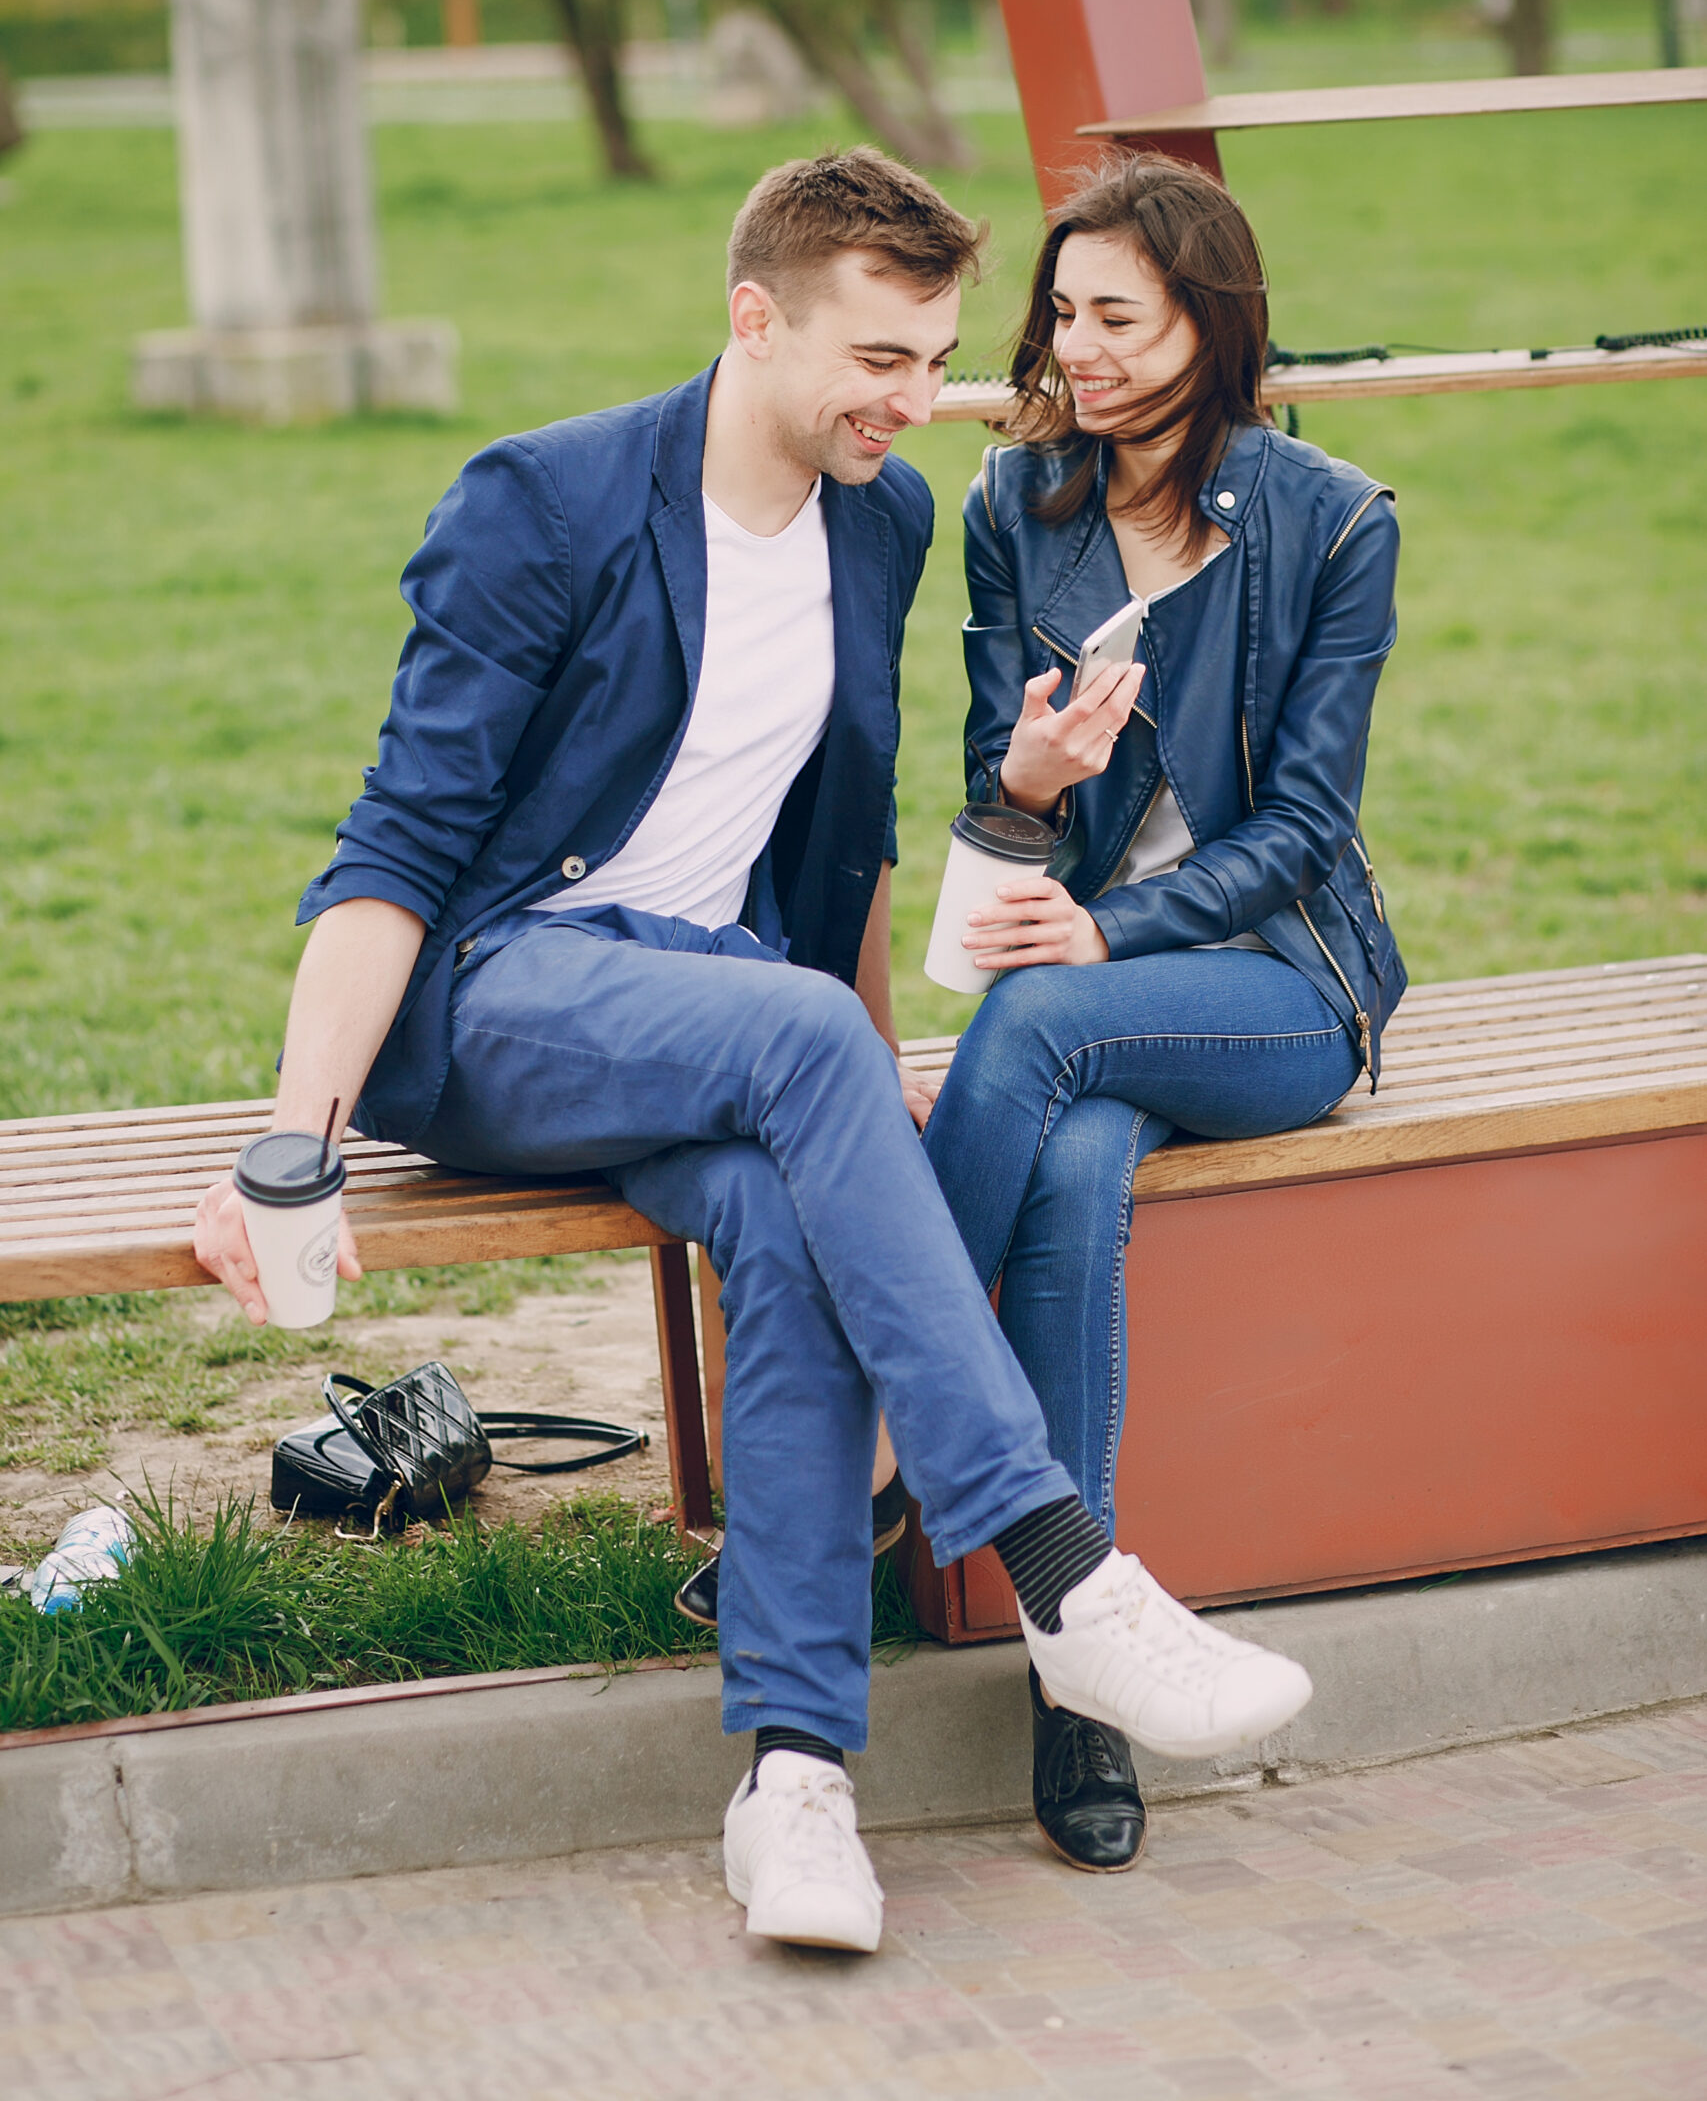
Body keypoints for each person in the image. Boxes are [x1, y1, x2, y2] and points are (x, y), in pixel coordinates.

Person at [192, 147, 1314, 1955]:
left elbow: (832, 856)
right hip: (497, 1001)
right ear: (753, 319)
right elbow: (395, 849)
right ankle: (1056, 1565)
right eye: (875, 356)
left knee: (795, 1221)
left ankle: (793, 1782)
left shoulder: (877, 521)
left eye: (937, 356)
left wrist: (858, 1091)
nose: (912, 398)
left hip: (706, 1007)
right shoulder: (546, 504)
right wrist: (291, 1143)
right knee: (813, 1044)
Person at [919, 153, 1405, 1875]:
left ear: (1213, 321)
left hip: (1282, 984)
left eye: (1119, 317)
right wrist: (1032, 778)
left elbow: (1304, 833)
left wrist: (1109, 931)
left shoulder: (1336, 523)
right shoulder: (1016, 507)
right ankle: (1086, 1691)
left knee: (1043, 1029)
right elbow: (1008, 795)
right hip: (1093, 989)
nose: (1081, 350)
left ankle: (866, 1453)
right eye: (1063, 314)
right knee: (1067, 1173)